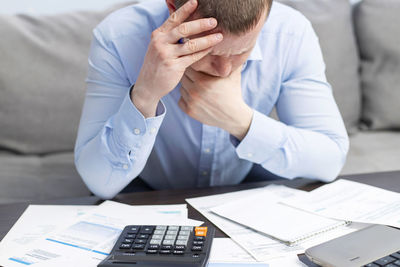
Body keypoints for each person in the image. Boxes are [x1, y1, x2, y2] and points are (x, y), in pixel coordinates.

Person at [74, 0, 349, 199]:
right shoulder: (118, 37)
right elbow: (99, 182)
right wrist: (145, 94)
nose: (224, 71)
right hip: (148, 193)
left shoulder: (291, 33)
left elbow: (331, 159)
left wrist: (240, 121)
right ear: (174, 10)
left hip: (246, 192)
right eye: (210, 53)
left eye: (243, 50)